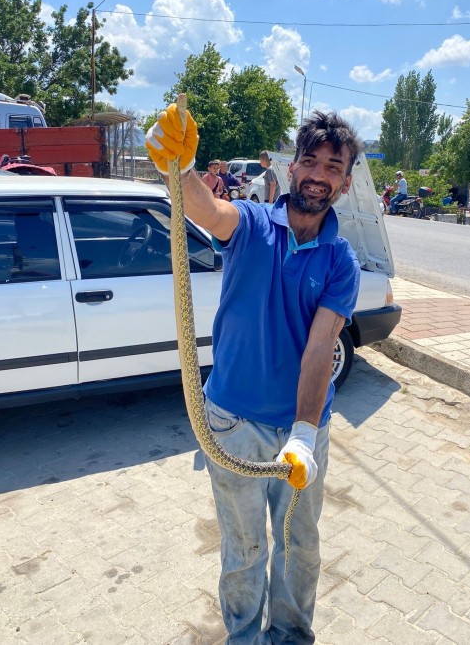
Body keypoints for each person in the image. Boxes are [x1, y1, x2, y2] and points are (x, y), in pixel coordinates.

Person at [146, 102, 361, 644]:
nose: (319, 176)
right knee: (243, 548)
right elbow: (210, 212)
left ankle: (289, 638)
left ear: (347, 182)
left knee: (299, 549)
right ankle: (243, 637)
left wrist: (306, 435)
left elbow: (320, 352)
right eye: (310, 162)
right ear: (292, 168)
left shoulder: (341, 262)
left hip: (300, 433)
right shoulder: (253, 223)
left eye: (333, 168)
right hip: (231, 424)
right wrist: (179, 165)